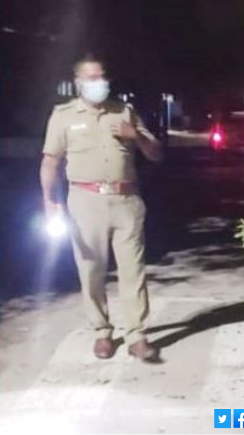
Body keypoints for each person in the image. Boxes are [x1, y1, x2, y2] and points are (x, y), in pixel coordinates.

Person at [39, 54, 164, 361]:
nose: (100, 83)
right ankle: (102, 331)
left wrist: (135, 135)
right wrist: (49, 201)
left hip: (126, 201)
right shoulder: (64, 116)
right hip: (86, 201)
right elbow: (50, 161)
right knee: (91, 270)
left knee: (133, 271)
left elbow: (156, 153)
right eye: (92, 78)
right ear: (78, 83)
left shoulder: (124, 111)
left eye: (103, 76)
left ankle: (137, 335)